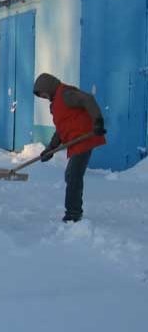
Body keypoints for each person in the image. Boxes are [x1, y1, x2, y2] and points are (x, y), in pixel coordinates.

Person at [33, 73, 106, 223]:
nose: (44, 97)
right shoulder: (57, 103)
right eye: (42, 96)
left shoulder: (66, 94)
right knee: (71, 175)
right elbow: (61, 129)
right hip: (75, 143)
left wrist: (97, 121)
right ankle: (74, 211)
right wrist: (50, 149)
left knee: (73, 176)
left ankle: (73, 214)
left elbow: (88, 99)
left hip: (84, 138)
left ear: (48, 87)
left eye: (44, 93)